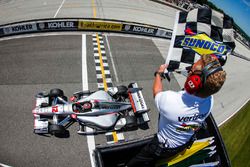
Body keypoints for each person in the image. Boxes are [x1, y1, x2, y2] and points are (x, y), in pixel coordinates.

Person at [126, 54, 226, 167]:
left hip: (161, 147)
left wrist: (159, 74)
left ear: (194, 82)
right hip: (183, 144)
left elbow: (156, 91)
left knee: (134, 163)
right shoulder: (209, 102)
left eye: (191, 69)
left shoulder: (171, 101)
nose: (189, 70)